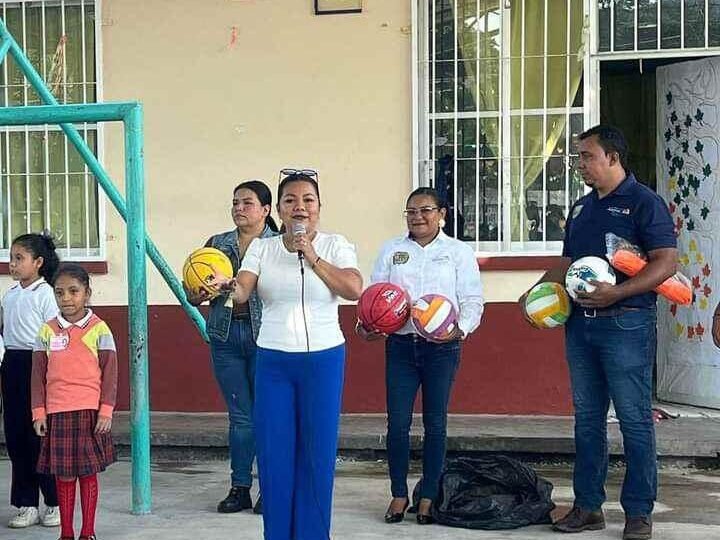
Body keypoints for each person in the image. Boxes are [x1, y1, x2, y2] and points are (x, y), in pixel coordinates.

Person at [519, 126, 677, 540]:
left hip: (626, 324)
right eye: (578, 157)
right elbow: (567, 262)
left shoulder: (645, 204)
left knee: (634, 421)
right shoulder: (581, 209)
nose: (580, 165)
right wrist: (534, 291)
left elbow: (666, 264)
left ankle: (638, 513)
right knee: (587, 420)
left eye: (586, 156)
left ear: (612, 157)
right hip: (579, 327)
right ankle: (588, 507)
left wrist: (617, 294)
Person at [228, 169, 362, 540]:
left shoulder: (336, 245)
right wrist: (225, 286)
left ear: (319, 207)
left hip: (323, 360)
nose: (299, 207)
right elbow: (242, 290)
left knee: (316, 456)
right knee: (274, 455)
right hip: (273, 361)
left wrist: (313, 257)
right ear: (280, 210)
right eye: (290, 200)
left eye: (308, 200)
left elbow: (353, 288)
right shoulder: (262, 247)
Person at [358, 187, 484, 525]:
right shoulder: (392, 250)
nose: (417, 217)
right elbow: (375, 296)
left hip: (442, 348)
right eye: (411, 211)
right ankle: (399, 494)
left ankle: (428, 496)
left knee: (435, 424)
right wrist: (366, 325)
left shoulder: (457, 252)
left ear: (442, 213)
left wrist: (461, 329)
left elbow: (472, 298)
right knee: (397, 424)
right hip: (401, 346)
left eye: (426, 210)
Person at [184, 180, 279, 514]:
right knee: (241, 417)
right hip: (225, 336)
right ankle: (240, 487)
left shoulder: (277, 245)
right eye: (235, 203)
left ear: (266, 210)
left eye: (247, 203)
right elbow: (193, 293)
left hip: (267, 336)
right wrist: (196, 295)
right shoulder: (217, 244)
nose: (239, 208)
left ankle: (271, 488)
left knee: (268, 415)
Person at [31, 263, 117, 540]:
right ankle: (66, 533)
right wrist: (39, 412)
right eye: (59, 292)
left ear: (87, 293)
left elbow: (111, 373)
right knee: (64, 476)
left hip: (89, 413)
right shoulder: (46, 331)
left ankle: (87, 533)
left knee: (88, 474)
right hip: (57, 413)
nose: (66, 298)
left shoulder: (99, 329)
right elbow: (37, 375)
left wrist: (106, 411)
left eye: (73, 291)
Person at [0, 233, 60, 529]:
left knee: (41, 437)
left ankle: (54, 502)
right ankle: (26, 504)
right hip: (12, 366)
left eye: (19, 258)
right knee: (16, 437)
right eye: (10, 258)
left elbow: (55, 337)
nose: (12, 264)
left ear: (38, 262)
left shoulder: (46, 294)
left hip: (39, 366)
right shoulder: (10, 295)